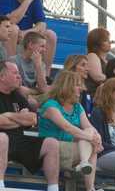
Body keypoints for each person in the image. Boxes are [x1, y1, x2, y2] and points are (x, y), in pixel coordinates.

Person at [38, 70, 104, 191]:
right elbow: (67, 127)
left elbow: (89, 126)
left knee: (89, 134)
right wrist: (92, 139)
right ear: (66, 86)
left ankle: (85, 165)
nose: (82, 88)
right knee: (90, 142)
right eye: (78, 85)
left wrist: (97, 136)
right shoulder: (50, 105)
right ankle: (90, 188)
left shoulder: (77, 107)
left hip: (71, 148)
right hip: (52, 150)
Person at [0, 60, 59, 191]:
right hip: (1, 141)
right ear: (2, 77)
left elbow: (32, 119)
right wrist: (19, 118)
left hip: (19, 140)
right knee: (2, 138)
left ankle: (53, 188)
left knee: (52, 143)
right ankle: (0, 185)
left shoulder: (17, 95)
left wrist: (7, 116)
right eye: (15, 73)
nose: (19, 76)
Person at [0, 0, 57, 77]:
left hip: (25, 36)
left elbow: (42, 24)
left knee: (50, 35)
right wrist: (27, 1)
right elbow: (9, 21)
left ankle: (46, 76)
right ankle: (12, 72)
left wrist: (26, 33)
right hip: (7, 37)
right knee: (14, 29)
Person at [12, 31, 50, 95]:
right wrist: (36, 91)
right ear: (31, 45)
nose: (44, 50)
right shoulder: (14, 61)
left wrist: (38, 66)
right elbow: (17, 88)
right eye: (42, 46)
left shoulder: (41, 64)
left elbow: (43, 89)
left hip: (34, 95)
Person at [85, 27, 110, 97]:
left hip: (108, 91)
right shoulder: (92, 56)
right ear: (97, 43)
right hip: (96, 93)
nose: (109, 42)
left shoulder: (107, 61)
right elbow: (97, 77)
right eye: (106, 40)